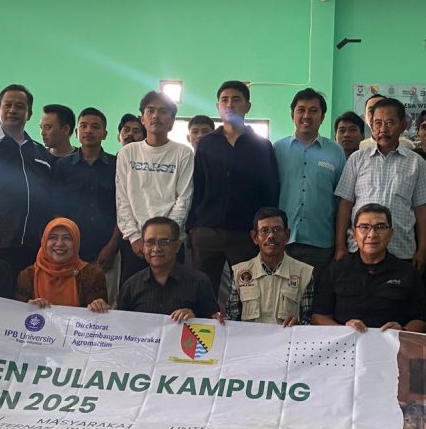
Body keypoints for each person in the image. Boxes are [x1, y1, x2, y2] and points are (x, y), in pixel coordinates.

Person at [190, 80, 280, 296]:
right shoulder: (207, 143)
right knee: (202, 292)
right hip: (207, 232)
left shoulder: (261, 145)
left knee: (248, 294)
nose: (229, 104)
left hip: (245, 234)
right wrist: (193, 227)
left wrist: (261, 231)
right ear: (218, 106)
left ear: (247, 106)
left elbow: (270, 191)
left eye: (236, 99)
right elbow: (197, 185)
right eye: (224, 100)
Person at [0, 84, 56, 275]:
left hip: (36, 249)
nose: (13, 110)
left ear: (29, 114)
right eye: (8, 105)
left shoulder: (41, 153)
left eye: (20, 106)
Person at [334, 97, 426, 271]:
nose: (383, 129)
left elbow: (421, 209)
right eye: (378, 123)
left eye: (390, 123)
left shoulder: (416, 163)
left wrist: (422, 249)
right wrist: (340, 245)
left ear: (403, 126)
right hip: (359, 248)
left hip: (401, 249)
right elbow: (345, 204)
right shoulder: (357, 159)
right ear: (371, 126)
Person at [116, 91, 195, 285]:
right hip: (135, 242)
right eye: (150, 110)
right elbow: (122, 199)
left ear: (172, 122)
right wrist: (135, 237)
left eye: (163, 111)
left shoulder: (183, 153)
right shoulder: (128, 153)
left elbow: (184, 199)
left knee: (174, 297)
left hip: (172, 242)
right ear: (142, 118)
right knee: (133, 296)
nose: (156, 115)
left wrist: (167, 239)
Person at [313, 203, 426, 333]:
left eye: (380, 227)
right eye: (364, 227)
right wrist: (343, 330)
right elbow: (318, 316)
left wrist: (402, 330)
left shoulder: (407, 272)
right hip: (346, 343)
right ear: (354, 233)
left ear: (391, 233)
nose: (372, 234)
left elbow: (421, 320)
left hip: (391, 344)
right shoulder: (336, 270)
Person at [272, 87, 345, 277]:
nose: (306, 116)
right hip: (283, 241)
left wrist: (340, 244)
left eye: (313, 110)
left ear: (322, 117)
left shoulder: (335, 152)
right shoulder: (276, 149)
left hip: (322, 242)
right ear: (292, 115)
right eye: (301, 110)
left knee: (319, 294)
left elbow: (342, 201)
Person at [54, 107, 120, 283]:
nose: (88, 130)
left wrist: (112, 247)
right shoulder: (62, 166)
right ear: (77, 132)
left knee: (104, 299)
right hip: (70, 251)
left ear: (105, 134)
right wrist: (66, 245)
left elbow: (123, 209)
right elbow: (57, 211)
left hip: (107, 251)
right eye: (83, 126)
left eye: (95, 127)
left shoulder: (117, 165)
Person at [116, 217, 221, 323]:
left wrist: (195, 319)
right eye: (150, 242)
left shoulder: (199, 282)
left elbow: (215, 323)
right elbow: (119, 325)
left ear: (177, 245)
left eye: (164, 242)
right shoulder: (131, 286)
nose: (156, 249)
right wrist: (105, 313)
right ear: (143, 246)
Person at [225, 208, 314, 326]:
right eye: (264, 230)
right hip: (250, 338)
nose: (271, 235)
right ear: (255, 237)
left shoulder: (304, 273)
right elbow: (232, 321)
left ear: (287, 235)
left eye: (277, 230)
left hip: (286, 338)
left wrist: (298, 325)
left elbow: (308, 322)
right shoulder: (239, 272)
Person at [16, 218, 109, 311]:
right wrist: (26, 307)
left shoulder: (92, 275)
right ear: (44, 241)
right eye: (53, 237)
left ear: (76, 242)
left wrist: (98, 306)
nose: (60, 244)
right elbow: (16, 314)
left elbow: (99, 318)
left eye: (67, 238)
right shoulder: (27, 276)